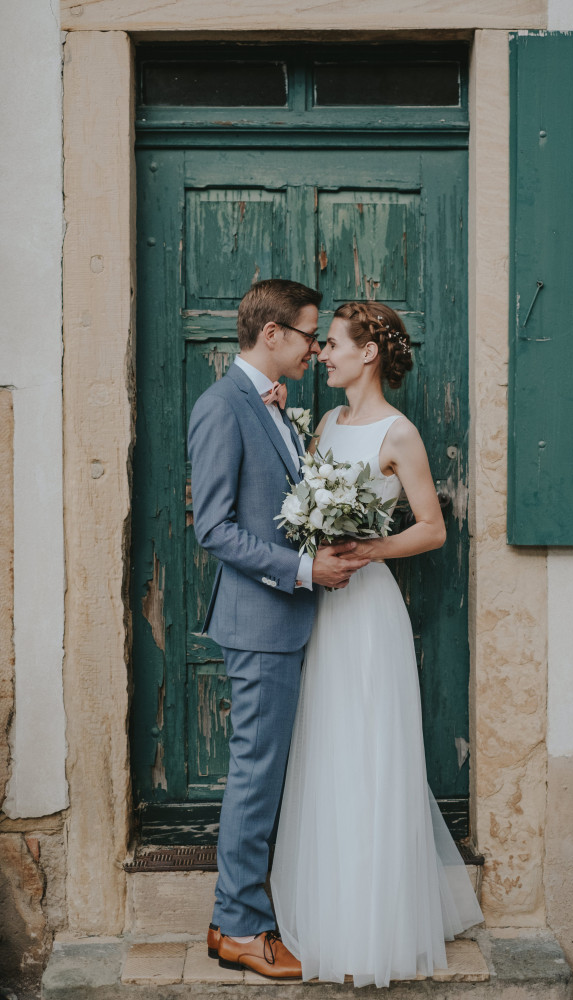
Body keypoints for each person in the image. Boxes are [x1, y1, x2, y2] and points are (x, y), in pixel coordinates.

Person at [270, 301, 484, 988]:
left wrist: (369, 549)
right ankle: (328, 911)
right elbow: (302, 496)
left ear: (367, 353)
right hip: (324, 607)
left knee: (370, 750)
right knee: (329, 746)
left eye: (332, 344)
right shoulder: (326, 424)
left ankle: (373, 923)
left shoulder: (400, 433)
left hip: (367, 609)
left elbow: (432, 529)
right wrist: (282, 423)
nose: (322, 354)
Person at [188, 279, 370, 979]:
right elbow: (214, 529)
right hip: (260, 621)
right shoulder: (222, 405)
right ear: (272, 334)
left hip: (282, 622)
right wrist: (303, 569)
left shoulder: (271, 405)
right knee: (255, 777)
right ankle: (240, 927)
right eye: (308, 335)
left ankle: (229, 919)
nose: (315, 349)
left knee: (262, 774)